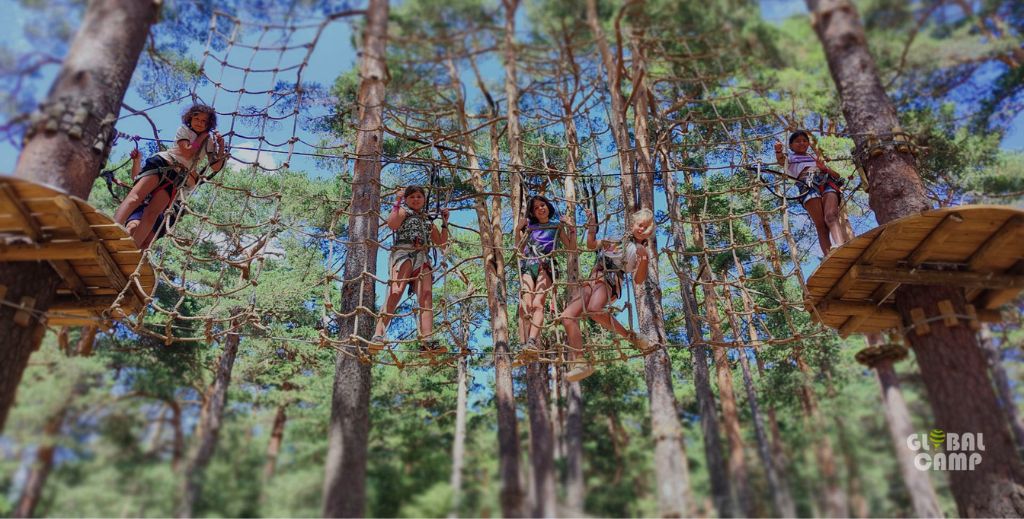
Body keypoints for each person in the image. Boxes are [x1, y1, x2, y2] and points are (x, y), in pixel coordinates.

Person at [559, 208, 657, 382]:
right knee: (567, 316)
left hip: (610, 279)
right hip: (593, 278)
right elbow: (591, 245)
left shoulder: (641, 250)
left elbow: (638, 279)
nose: (642, 229)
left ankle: (629, 335)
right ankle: (580, 362)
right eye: (639, 224)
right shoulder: (616, 239)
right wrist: (592, 224)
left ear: (650, 231)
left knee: (594, 309)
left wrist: (644, 260)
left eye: (646, 227)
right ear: (632, 225)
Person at [113, 104, 226, 248]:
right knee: (135, 197)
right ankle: (112, 227)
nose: (199, 123)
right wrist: (201, 138)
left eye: (204, 121)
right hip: (163, 164)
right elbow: (187, 152)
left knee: (153, 213)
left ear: (209, 124)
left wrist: (221, 147)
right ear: (190, 118)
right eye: (197, 118)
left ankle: (133, 247)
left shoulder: (209, 141)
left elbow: (215, 167)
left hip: (177, 177)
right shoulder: (184, 130)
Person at [370, 186, 450, 356]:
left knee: (426, 296)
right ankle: (378, 334)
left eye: (419, 196)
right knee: (396, 291)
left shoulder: (427, 220)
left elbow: (442, 244)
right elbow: (392, 224)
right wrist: (397, 201)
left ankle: (427, 340)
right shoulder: (403, 211)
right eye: (412, 196)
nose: (416, 199)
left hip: (422, 256)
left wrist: (444, 222)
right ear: (407, 199)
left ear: (424, 199)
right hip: (404, 252)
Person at [515, 195, 576, 357]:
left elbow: (571, 248)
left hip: (546, 265)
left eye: (542, 205)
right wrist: (518, 230)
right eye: (536, 208)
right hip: (529, 264)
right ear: (533, 213)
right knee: (524, 305)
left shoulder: (556, 226)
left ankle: (532, 341)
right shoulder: (530, 227)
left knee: (537, 303)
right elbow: (519, 249)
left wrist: (571, 228)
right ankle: (523, 344)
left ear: (548, 206)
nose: (540, 209)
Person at [774, 130, 846, 255]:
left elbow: (837, 175)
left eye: (804, 141)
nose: (802, 143)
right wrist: (778, 151)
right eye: (797, 141)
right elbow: (781, 160)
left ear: (808, 144)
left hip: (826, 182)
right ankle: (829, 255)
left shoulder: (814, 158)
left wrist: (824, 168)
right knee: (821, 225)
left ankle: (841, 246)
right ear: (791, 146)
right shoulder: (790, 158)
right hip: (807, 186)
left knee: (831, 216)